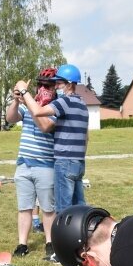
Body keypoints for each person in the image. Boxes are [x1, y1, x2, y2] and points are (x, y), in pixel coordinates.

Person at [15, 63, 89, 214]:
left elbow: (37, 111)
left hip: (64, 162)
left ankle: (63, 237)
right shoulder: (81, 104)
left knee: (63, 210)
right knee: (79, 206)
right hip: (79, 163)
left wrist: (23, 91)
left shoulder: (65, 102)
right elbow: (86, 137)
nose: (55, 87)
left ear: (69, 84)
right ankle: (82, 235)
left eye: (59, 83)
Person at [7, 66, 58, 261]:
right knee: (24, 207)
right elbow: (10, 118)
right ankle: (22, 244)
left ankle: (50, 243)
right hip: (24, 164)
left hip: (45, 164)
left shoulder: (56, 106)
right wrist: (16, 98)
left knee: (47, 208)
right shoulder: (30, 103)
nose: (44, 89)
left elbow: (45, 126)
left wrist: (27, 99)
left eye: (48, 86)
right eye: (42, 85)